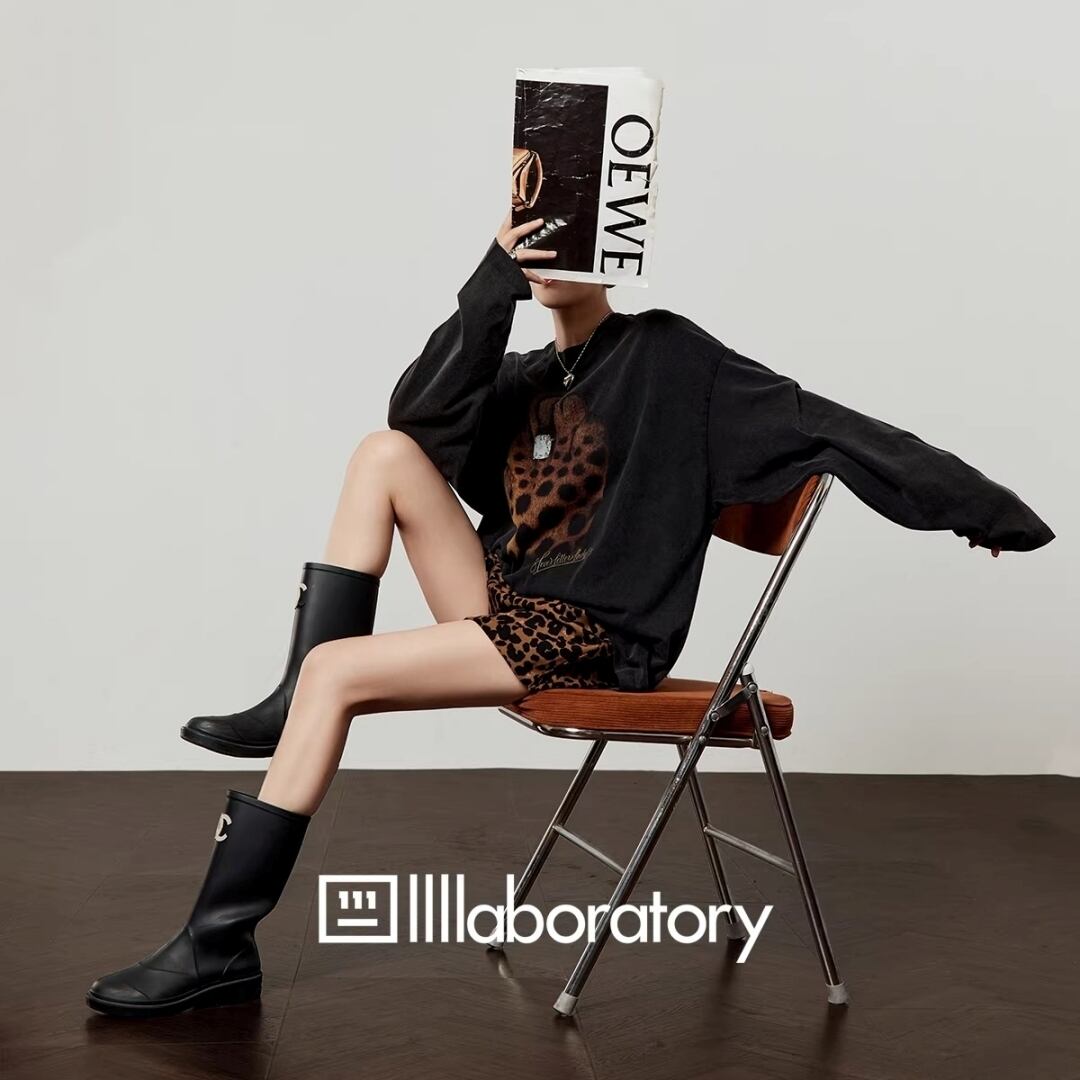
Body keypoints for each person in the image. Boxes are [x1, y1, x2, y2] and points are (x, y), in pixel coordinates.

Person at [86, 209, 1053, 1017]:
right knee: (381, 454)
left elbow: (828, 425)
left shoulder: (671, 359)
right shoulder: (525, 379)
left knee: (336, 674)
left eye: (569, 241)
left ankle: (220, 943)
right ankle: (292, 698)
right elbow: (417, 420)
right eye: (537, 243)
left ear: (614, 250)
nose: (549, 258)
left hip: (594, 632)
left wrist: (980, 509)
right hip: (510, 604)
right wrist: (492, 281)